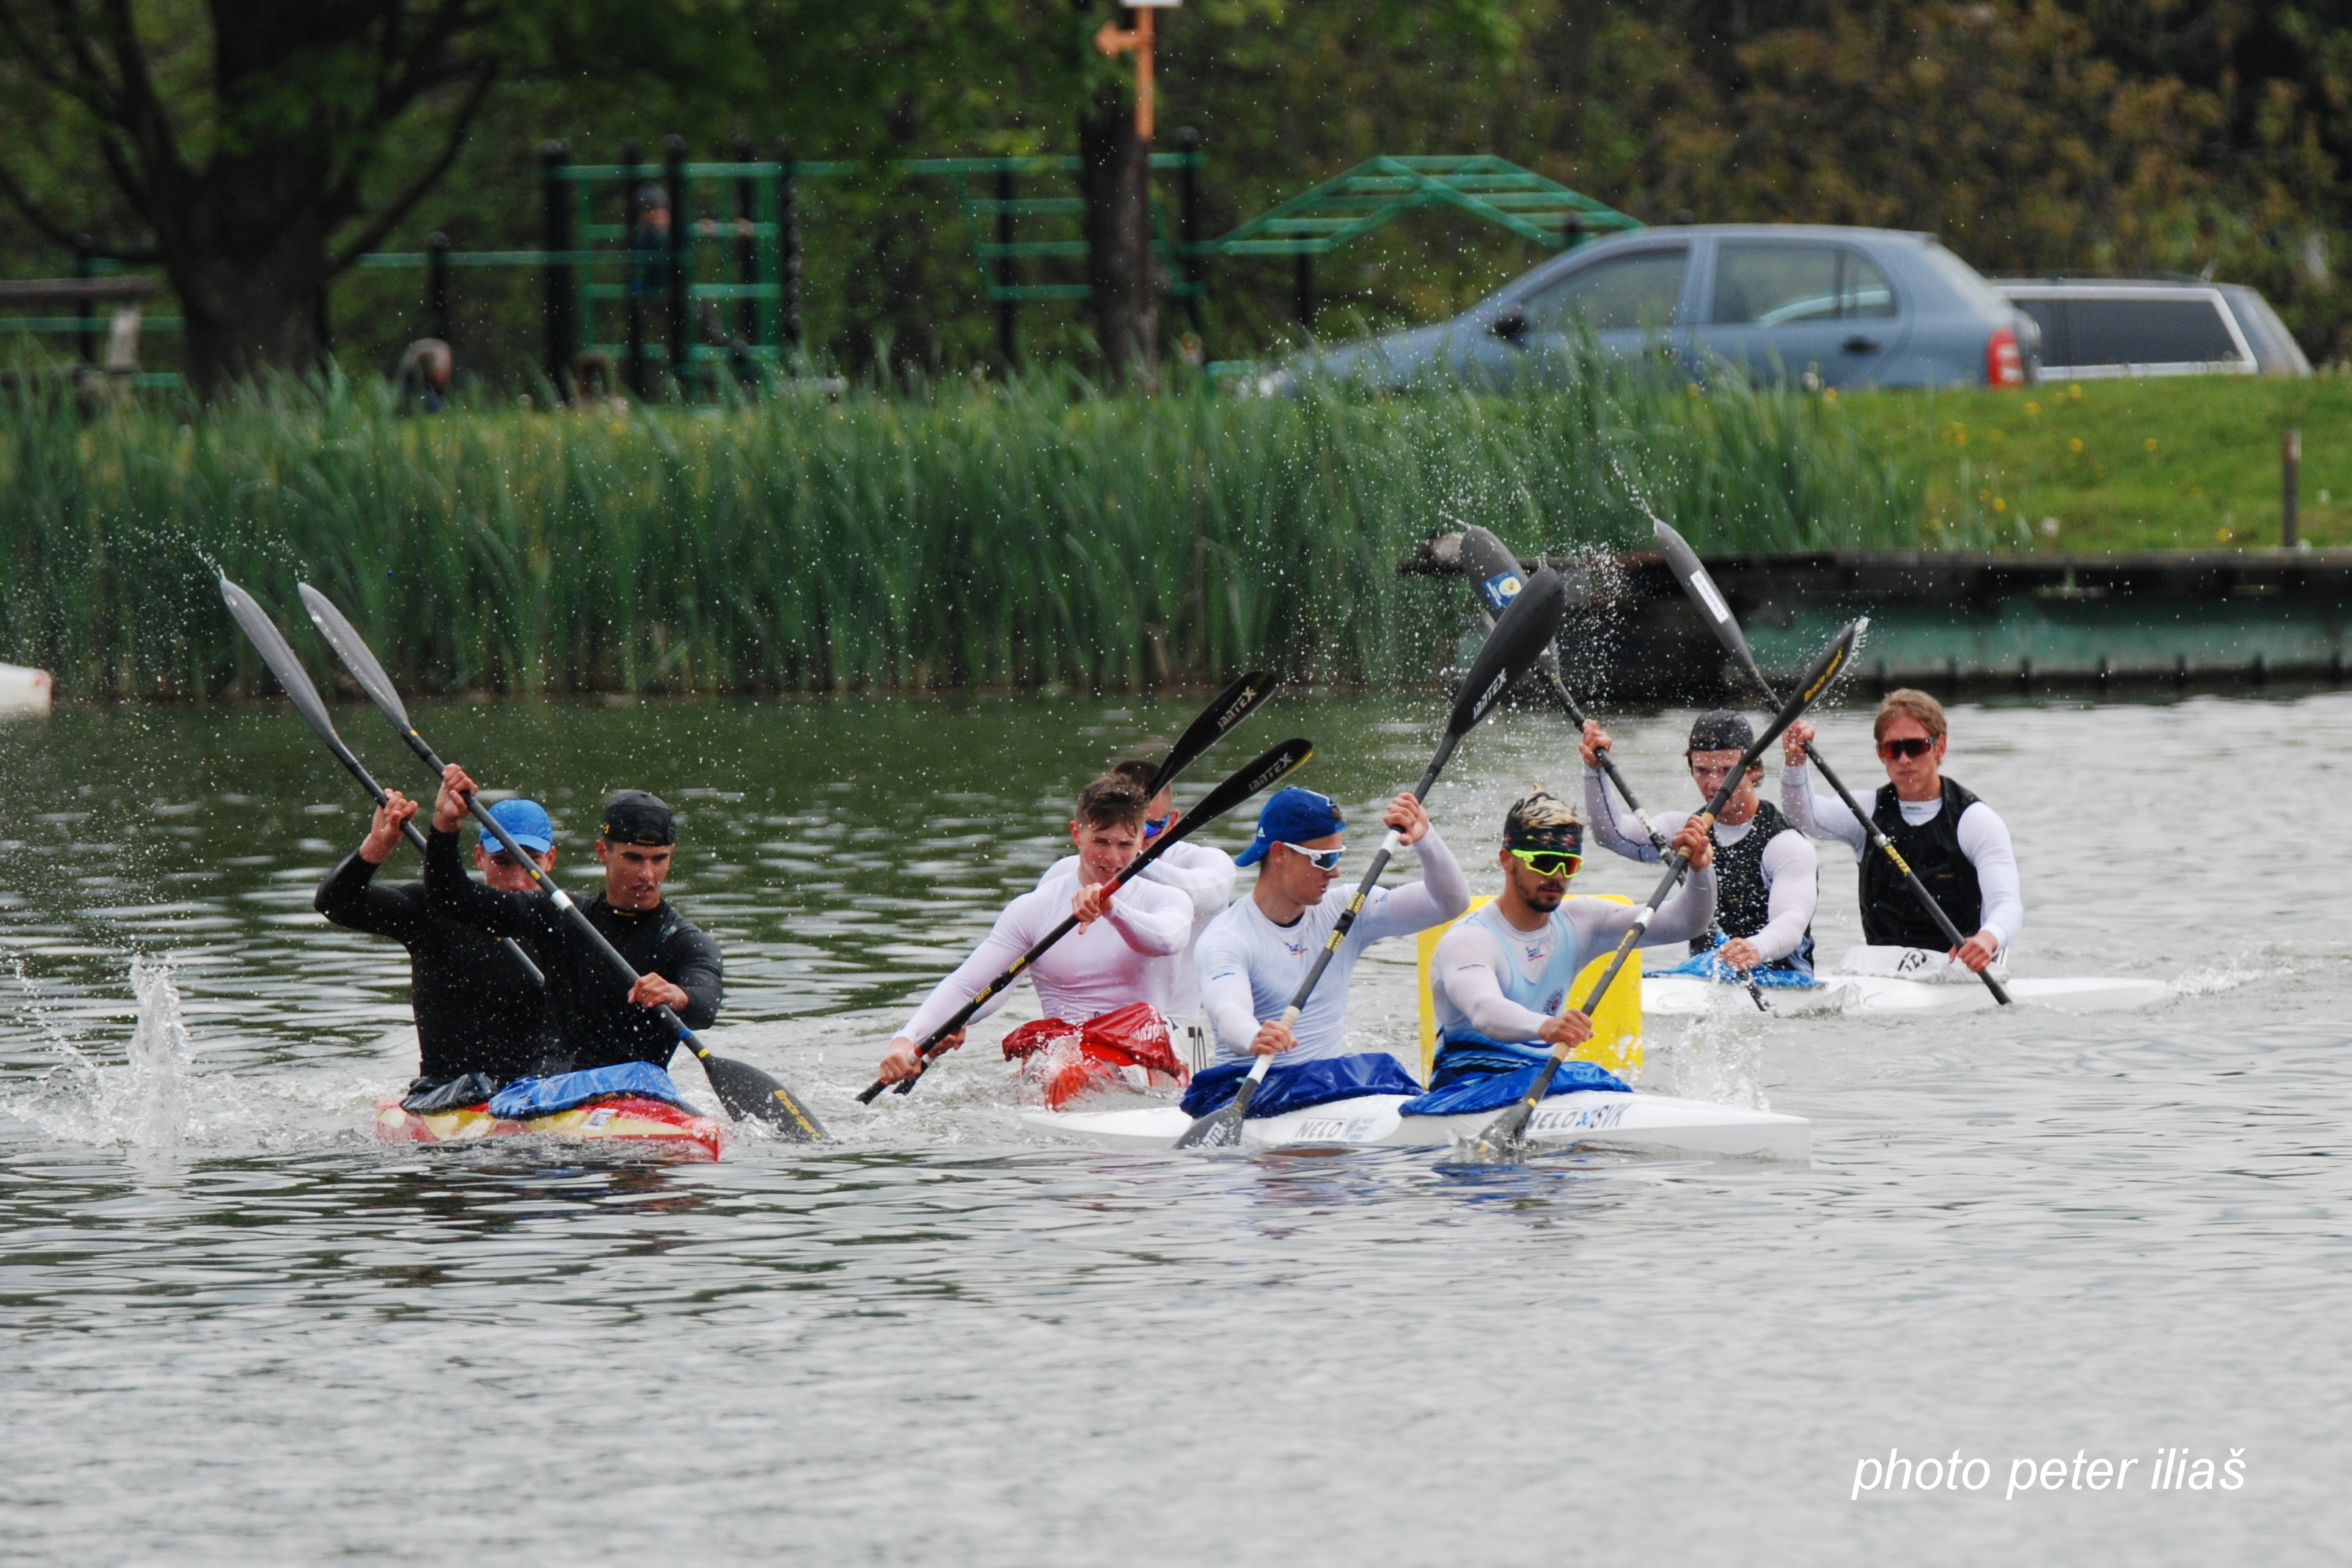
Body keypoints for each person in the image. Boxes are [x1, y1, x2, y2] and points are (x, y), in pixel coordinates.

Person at [875, 774, 1194, 1086]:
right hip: (1061, 1057)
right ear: (1076, 834)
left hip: (1142, 1053)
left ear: (1141, 841)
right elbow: (966, 986)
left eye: (1126, 844)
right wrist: (905, 1043)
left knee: (1065, 1073)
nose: (1113, 857)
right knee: (1057, 1070)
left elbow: (1167, 940)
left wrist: (1112, 909)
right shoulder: (1035, 908)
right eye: (1101, 841)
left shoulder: (1165, 899)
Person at [424, 767, 723, 1071]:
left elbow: (706, 1002)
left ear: (671, 855)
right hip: (551, 1090)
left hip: (639, 1095)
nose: (647, 875)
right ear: (602, 852)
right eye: (633, 858)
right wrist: (446, 824)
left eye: (659, 859)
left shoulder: (684, 940)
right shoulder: (561, 915)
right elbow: (453, 898)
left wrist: (678, 995)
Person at [1427, 788, 1715, 1086]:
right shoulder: (1469, 940)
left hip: (1541, 1084)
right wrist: (1548, 1026)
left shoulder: (1582, 921)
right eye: (1545, 862)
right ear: (1507, 859)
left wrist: (1701, 870)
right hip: (1464, 1090)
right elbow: (1484, 1010)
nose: (1558, 876)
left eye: (1570, 864)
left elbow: (1686, 924)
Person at [1194, 785, 1469, 1073]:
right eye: (1325, 859)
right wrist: (1254, 1036)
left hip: (1325, 1091)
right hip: (1250, 1090)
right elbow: (1227, 1010)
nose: (1335, 871)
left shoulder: (1348, 910)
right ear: (1280, 854)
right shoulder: (1227, 938)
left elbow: (1450, 903)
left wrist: (1425, 839)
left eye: (1338, 855)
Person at [315, 790, 554, 1104]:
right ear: (479, 857)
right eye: (503, 862)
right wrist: (377, 846)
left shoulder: (568, 924)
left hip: (541, 1092)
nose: (517, 881)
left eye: (530, 862)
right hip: (447, 1093)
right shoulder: (433, 913)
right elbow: (336, 904)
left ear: (550, 860)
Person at [1780, 688, 2022, 978]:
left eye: (1916, 747)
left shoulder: (1975, 821)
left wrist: (1988, 938)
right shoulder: (1867, 812)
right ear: (1881, 754)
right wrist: (1795, 763)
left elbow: (2007, 904)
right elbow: (1804, 816)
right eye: (1893, 749)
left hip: (1958, 968)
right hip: (1886, 971)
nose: (1904, 760)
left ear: (1939, 747)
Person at [1579, 711, 1818, 979]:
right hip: (1706, 975)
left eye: (1727, 771)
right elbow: (1612, 835)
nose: (1713, 784)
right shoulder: (1684, 829)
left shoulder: (1785, 844)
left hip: (1780, 977)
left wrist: (1755, 948)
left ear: (1755, 770)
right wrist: (1594, 770)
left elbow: (1792, 921)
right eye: (1702, 770)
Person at [1034, 758, 1234, 1019]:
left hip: (1174, 1030)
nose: (1129, 841)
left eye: (1147, 828)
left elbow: (1205, 894)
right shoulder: (1062, 873)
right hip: (1082, 1032)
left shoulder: (1204, 863)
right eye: (1110, 832)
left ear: (1173, 822)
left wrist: (1131, 861)